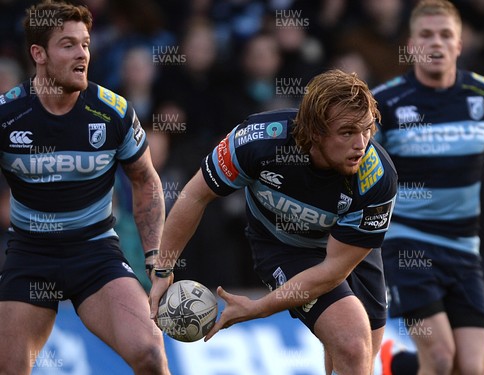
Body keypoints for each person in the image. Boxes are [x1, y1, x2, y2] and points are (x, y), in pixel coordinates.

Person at [149, 69, 398, 375]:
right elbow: (195, 196)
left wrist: (258, 307)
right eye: (346, 132)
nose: (361, 144)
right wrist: (164, 267)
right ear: (315, 132)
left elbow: (334, 270)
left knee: (359, 359)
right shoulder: (257, 141)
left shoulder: (377, 178)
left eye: (367, 129)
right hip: (283, 246)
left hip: (347, 248)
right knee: (352, 342)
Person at [0, 1, 170, 373]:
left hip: (95, 254)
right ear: (38, 54)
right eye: (68, 45)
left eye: (86, 44)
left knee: (150, 353)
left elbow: (146, 182)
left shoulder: (113, 112)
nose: (83, 55)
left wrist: (156, 260)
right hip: (30, 257)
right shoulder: (7, 117)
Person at [372, 1, 484, 374]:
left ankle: (399, 365)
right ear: (411, 45)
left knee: (472, 367)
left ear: (459, 45)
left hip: (463, 248)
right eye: (426, 35)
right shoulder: (385, 103)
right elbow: (360, 171)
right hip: (407, 244)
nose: (436, 43)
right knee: (441, 356)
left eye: (446, 35)